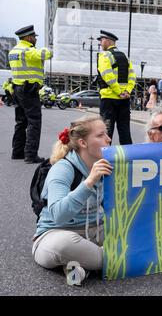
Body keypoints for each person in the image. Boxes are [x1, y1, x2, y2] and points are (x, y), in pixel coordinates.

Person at [32, 115, 113, 285]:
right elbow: (59, 216)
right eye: (100, 135)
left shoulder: (107, 164)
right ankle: (115, 258)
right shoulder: (62, 168)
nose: (108, 139)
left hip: (96, 231)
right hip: (57, 234)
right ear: (83, 143)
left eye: (106, 134)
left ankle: (80, 265)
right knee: (63, 245)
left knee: (135, 232)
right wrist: (89, 182)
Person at [9, 25, 53, 163]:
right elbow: (47, 54)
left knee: (21, 122)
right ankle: (30, 155)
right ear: (28, 37)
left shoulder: (13, 51)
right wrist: (47, 47)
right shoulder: (27, 50)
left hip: (17, 89)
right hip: (28, 90)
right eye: (34, 37)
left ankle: (17, 152)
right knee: (34, 121)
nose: (35, 40)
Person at [97, 30, 135, 145]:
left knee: (106, 132)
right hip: (124, 99)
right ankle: (128, 158)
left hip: (109, 99)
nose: (100, 43)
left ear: (108, 41)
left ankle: (105, 159)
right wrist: (127, 91)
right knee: (125, 131)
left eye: (102, 40)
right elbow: (132, 76)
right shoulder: (125, 57)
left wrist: (118, 92)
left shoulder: (104, 55)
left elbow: (108, 76)